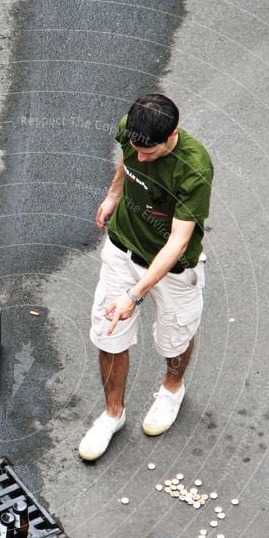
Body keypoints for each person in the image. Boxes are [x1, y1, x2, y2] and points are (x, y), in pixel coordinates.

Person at [79, 94, 214, 461]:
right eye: (136, 147)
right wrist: (113, 195)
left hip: (173, 268)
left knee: (175, 339)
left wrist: (135, 295)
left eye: (149, 152)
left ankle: (172, 390)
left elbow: (178, 242)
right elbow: (127, 162)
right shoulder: (132, 130)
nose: (141, 156)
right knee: (109, 335)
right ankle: (112, 415)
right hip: (122, 248)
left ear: (171, 135)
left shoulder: (193, 169)